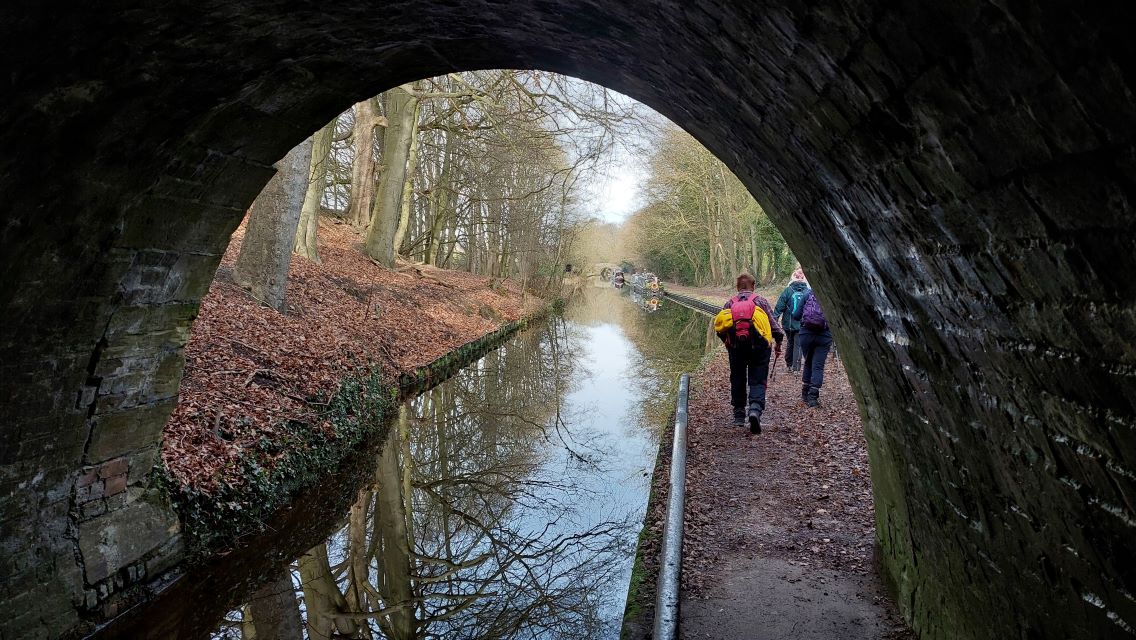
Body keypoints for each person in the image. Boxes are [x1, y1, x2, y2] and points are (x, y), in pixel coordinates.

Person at [717, 273, 783, 433]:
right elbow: (774, 327)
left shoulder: (729, 303)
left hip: (736, 349)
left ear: (737, 287)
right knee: (758, 378)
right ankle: (754, 409)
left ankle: (739, 415)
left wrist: (729, 344)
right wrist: (778, 343)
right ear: (753, 286)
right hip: (760, 348)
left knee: (737, 377)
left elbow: (720, 327)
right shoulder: (760, 301)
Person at [797, 288, 833, 408]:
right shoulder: (829, 294)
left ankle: (804, 392)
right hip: (824, 335)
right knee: (818, 365)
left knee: (808, 362)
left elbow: (796, 315)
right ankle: (813, 397)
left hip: (806, 334)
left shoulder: (807, 293)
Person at [773, 268, 810, 372]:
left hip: (787, 323)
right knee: (798, 345)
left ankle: (789, 364)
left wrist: (775, 318)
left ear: (793, 277)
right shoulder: (807, 291)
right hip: (802, 323)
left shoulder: (788, 290)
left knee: (790, 342)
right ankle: (796, 368)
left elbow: (780, 306)